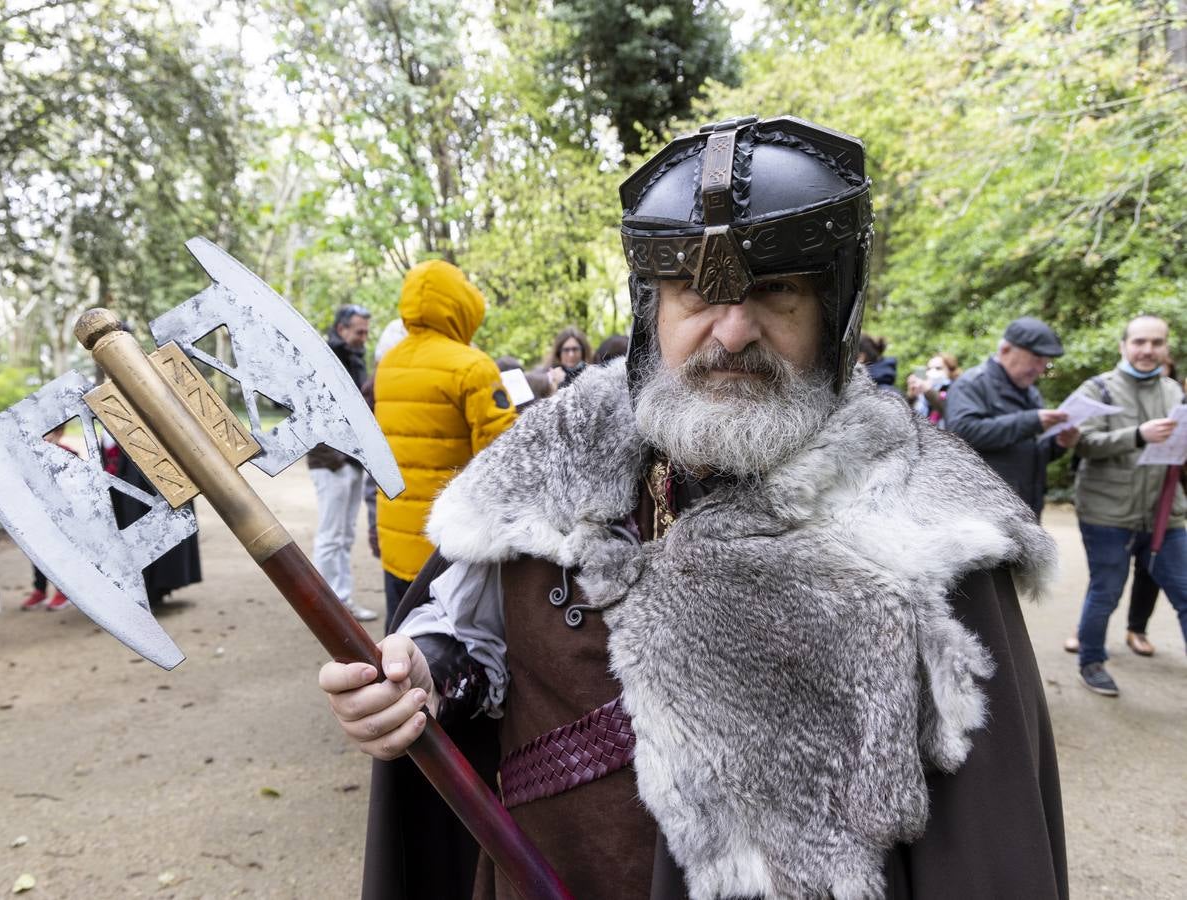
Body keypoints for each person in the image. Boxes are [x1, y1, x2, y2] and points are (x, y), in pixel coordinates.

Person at [320, 116, 1066, 898]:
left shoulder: (921, 526)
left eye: (775, 291)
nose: (733, 330)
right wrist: (423, 678)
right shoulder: (552, 458)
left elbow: (983, 852)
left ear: (834, 311)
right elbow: (467, 633)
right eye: (694, 293)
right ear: (654, 311)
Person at [373, 260, 517, 627]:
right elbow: (506, 455)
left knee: (398, 637)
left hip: (397, 535)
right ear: (459, 303)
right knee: (448, 644)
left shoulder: (389, 365)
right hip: (448, 545)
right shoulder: (472, 367)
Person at [1066, 314, 1187, 698]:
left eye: (1156, 342)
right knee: (1106, 591)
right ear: (1123, 345)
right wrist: (1138, 435)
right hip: (1107, 514)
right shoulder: (1097, 388)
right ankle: (1091, 661)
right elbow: (1081, 442)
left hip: (1165, 514)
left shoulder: (1174, 391)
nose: (1148, 350)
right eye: (1139, 342)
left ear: (1166, 347)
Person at [945, 318, 1078, 519]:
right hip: (983, 513)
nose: (1041, 369)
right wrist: (1031, 421)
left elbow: (1028, 452)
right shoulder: (971, 385)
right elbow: (962, 433)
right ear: (1006, 350)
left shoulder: (1031, 393)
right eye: (1036, 359)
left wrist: (1058, 444)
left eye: (1045, 362)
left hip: (1026, 511)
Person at [306, 304, 378, 622]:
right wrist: (335, 457)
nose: (364, 337)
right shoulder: (323, 359)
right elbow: (312, 410)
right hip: (329, 461)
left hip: (351, 461)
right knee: (331, 534)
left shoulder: (354, 359)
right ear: (341, 329)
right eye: (359, 331)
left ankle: (342, 601)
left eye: (366, 331)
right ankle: (325, 607)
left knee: (345, 535)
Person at [20, 424, 73, 610]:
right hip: (36, 511)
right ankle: (40, 590)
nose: (45, 438)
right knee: (37, 552)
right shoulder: (28, 456)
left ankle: (64, 591)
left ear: (60, 433)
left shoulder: (67, 454)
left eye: (49, 433)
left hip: (60, 514)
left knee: (61, 552)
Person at [542, 326, 592, 392]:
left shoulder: (591, 373)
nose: (571, 354)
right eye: (566, 350)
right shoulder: (547, 374)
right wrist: (554, 383)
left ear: (583, 351)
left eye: (575, 349)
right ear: (558, 352)